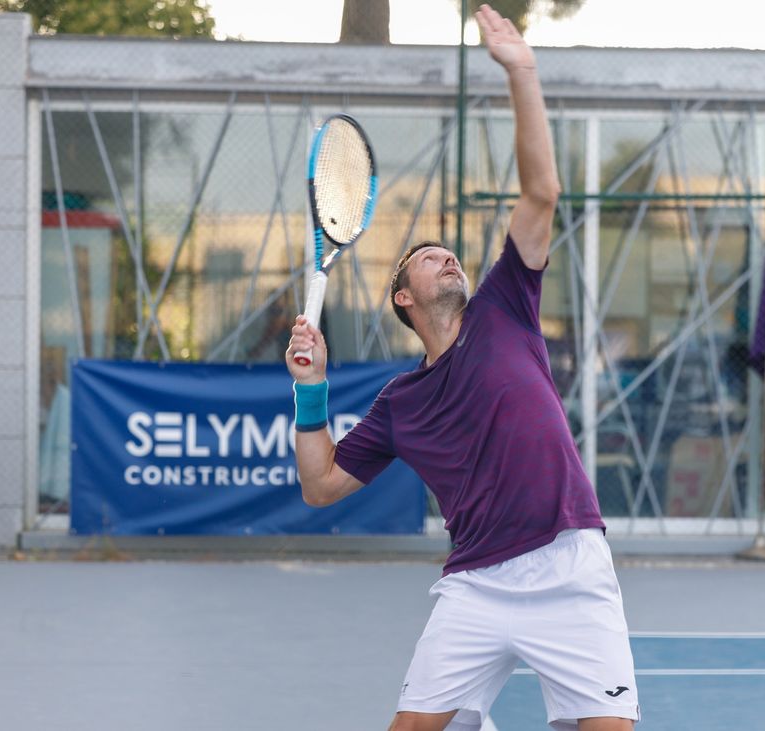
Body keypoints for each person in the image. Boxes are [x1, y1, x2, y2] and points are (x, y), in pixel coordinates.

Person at [284, 7, 638, 731]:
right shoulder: (400, 403)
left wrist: (521, 71)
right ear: (405, 297)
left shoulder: (507, 304)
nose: (450, 254)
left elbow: (541, 193)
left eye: (454, 252)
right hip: (477, 583)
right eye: (428, 253)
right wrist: (311, 389)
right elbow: (320, 486)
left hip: (570, 562)